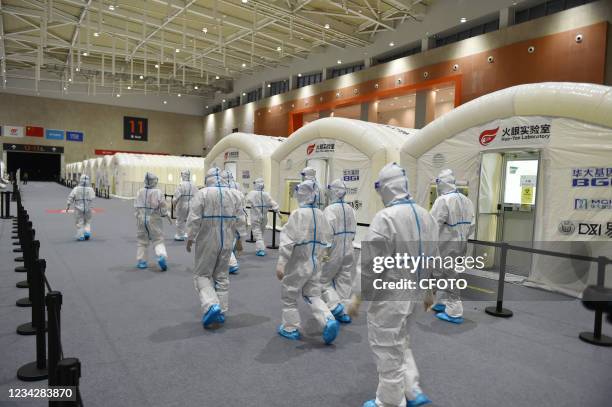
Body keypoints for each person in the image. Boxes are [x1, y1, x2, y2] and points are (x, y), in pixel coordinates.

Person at [362, 163, 438, 407]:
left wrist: (356, 296)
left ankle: (390, 402)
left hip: (390, 298)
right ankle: (413, 390)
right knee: (402, 341)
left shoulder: (386, 218)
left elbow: (370, 263)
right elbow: (433, 258)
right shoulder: (426, 215)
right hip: (415, 294)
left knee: (387, 348)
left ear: (386, 187)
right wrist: (429, 291)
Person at [276, 180, 339, 344]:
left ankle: (290, 328)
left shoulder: (298, 214)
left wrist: (281, 263)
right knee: (313, 294)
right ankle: (328, 319)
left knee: (289, 295)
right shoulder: (320, 214)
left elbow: (287, 240)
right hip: (315, 262)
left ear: (301, 194)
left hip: (298, 262)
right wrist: (323, 255)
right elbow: (328, 238)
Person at [187, 167, 246, 328]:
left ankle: (212, 305)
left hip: (207, 238)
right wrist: (240, 239)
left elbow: (194, 218)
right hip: (227, 239)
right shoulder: (235, 194)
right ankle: (222, 311)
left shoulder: (203, 193)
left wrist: (190, 237)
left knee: (202, 275)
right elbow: (241, 218)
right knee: (222, 276)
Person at [429, 169, 475, 324]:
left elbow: (433, 224)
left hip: (445, 245)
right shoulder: (466, 200)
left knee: (448, 276)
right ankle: (442, 303)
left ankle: (454, 312)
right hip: (461, 245)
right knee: (444, 274)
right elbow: (472, 225)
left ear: (441, 183)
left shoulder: (443, 200)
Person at [320, 179, 356, 323]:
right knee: (344, 279)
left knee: (322, 280)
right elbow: (354, 232)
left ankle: (334, 306)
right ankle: (344, 312)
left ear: (334, 191)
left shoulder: (329, 210)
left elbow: (326, 235)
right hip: (348, 248)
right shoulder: (350, 209)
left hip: (333, 249)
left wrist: (323, 255)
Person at [134, 172, 171, 271]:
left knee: (142, 241)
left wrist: (137, 217)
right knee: (158, 239)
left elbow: (136, 207)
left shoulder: (139, 191)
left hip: (141, 219)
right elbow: (163, 206)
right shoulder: (158, 192)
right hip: (154, 219)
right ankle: (161, 255)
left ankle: (142, 261)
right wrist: (165, 214)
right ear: (155, 181)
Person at [246, 178, 279, 257]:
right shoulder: (266, 194)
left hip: (255, 216)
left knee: (257, 233)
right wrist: (277, 210)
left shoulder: (252, 193)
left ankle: (260, 249)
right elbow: (273, 203)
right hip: (264, 217)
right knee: (261, 232)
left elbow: (247, 201)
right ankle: (260, 248)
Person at [223, 170, 247, 274]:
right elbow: (243, 202)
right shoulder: (238, 187)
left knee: (226, 239)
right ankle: (232, 256)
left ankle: (231, 263)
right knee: (233, 237)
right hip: (239, 215)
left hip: (228, 217)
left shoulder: (223, 190)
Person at [66, 174, 95, 241]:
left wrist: (68, 205)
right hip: (88, 208)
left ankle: (80, 236)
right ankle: (87, 233)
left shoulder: (76, 189)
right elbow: (93, 197)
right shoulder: (91, 189)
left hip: (78, 208)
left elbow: (71, 197)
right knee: (87, 221)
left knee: (79, 222)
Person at [172, 169, 196, 241]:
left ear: (183, 175)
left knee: (180, 220)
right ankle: (191, 236)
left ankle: (180, 235)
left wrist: (174, 204)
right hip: (191, 204)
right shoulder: (193, 185)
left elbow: (176, 197)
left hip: (182, 203)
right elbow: (197, 195)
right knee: (191, 221)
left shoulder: (181, 184)